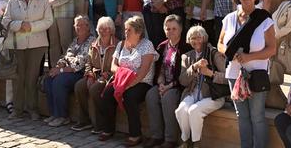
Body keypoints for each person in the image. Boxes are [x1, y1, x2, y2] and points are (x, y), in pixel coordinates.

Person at [218, 0, 277, 148]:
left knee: (257, 116)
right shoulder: (229, 19)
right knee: (241, 116)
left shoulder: (264, 19)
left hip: (256, 74)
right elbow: (220, 44)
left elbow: (272, 49)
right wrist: (230, 54)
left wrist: (249, 57)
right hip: (234, 74)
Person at [97, 16, 158, 146]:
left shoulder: (147, 45)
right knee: (107, 94)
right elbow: (113, 66)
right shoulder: (120, 45)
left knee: (129, 96)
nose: (125, 32)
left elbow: (143, 71)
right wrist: (123, 78)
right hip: (121, 80)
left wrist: (129, 84)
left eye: (129, 30)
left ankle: (135, 134)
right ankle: (108, 129)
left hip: (142, 82)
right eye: (125, 30)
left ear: (138, 32)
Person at [2, 0, 53, 121]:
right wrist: (19, 25)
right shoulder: (13, 0)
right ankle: (17, 109)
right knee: (18, 77)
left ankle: (32, 109)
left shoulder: (43, 0)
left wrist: (31, 26)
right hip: (17, 44)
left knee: (31, 77)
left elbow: (49, 20)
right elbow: (6, 21)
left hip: (37, 44)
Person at [175, 25, 229, 148]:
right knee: (181, 110)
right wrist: (193, 67)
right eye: (192, 38)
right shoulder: (186, 57)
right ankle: (185, 140)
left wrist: (210, 73)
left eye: (199, 37)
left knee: (194, 110)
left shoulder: (214, 53)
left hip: (213, 95)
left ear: (204, 38)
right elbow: (182, 81)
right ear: (189, 41)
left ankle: (196, 143)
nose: (196, 41)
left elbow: (229, 78)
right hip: (193, 93)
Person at [145, 14, 191, 148]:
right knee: (151, 96)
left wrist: (169, 86)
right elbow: (159, 68)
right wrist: (160, 82)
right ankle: (156, 136)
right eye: (168, 28)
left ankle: (170, 139)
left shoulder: (186, 47)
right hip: (163, 83)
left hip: (179, 85)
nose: (170, 32)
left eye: (174, 29)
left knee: (168, 98)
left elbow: (185, 74)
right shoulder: (162, 46)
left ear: (181, 29)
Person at [43, 16, 95, 127]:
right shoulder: (75, 41)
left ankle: (62, 116)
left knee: (59, 81)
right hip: (68, 70)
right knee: (48, 79)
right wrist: (59, 65)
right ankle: (54, 114)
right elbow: (66, 56)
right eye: (77, 25)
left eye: (82, 25)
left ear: (87, 27)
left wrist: (61, 70)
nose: (79, 27)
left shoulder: (91, 41)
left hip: (81, 73)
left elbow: (79, 63)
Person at [72, 16, 118, 133]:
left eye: (106, 29)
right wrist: (89, 74)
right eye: (101, 29)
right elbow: (88, 62)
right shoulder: (94, 44)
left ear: (111, 30)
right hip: (94, 74)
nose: (103, 31)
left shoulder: (117, 44)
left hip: (109, 77)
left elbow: (118, 64)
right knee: (79, 86)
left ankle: (100, 124)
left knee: (95, 89)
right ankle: (84, 120)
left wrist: (106, 75)